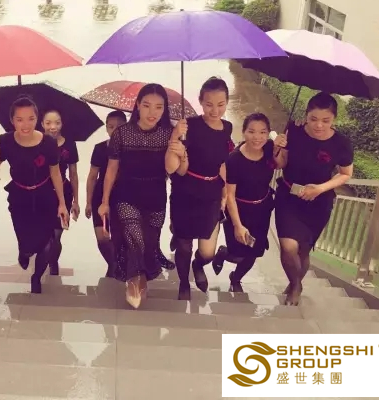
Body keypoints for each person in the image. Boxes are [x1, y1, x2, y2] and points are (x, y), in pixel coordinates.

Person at [273, 92, 353, 306]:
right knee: (288, 247)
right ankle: (295, 286)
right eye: (313, 119)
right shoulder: (294, 130)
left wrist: (320, 188)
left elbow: (345, 173)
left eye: (326, 120)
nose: (319, 125)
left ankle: (295, 283)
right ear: (306, 115)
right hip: (289, 197)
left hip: (319, 203)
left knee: (303, 250)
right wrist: (276, 147)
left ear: (334, 119)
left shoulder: (341, 143)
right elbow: (280, 164)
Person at [98, 84, 174, 309]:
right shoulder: (122, 133)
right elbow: (111, 170)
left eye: (159, 107)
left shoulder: (169, 134)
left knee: (149, 243)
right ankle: (133, 282)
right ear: (138, 105)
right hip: (126, 194)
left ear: (165, 109)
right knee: (135, 239)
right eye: (147, 105)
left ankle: (141, 279)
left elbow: (174, 171)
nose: (153, 112)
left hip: (156, 196)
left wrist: (178, 141)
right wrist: (104, 201)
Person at [0, 96, 69, 294]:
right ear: (12, 120)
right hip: (19, 196)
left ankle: (37, 276)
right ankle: (24, 251)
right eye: (20, 119)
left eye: (31, 119)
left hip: (45, 195)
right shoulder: (6, 140)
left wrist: (62, 203)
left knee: (46, 243)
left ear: (37, 119)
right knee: (26, 242)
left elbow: (55, 173)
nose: (25, 124)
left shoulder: (49, 143)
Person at [166, 77, 234, 300]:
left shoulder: (227, 127)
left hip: (212, 194)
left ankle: (198, 264)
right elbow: (175, 169)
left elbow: (223, 164)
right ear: (201, 102)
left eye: (221, 104)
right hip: (186, 192)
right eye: (209, 104)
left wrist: (225, 193)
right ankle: (184, 283)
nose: (215, 110)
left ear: (227, 102)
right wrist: (176, 135)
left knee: (207, 252)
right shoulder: (189, 126)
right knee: (184, 246)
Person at [212, 113, 278, 291]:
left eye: (263, 132)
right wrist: (238, 225)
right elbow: (230, 195)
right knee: (238, 253)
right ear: (243, 132)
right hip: (239, 211)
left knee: (254, 252)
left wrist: (282, 145)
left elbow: (280, 164)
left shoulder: (269, 148)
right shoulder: (234, 159)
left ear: (268, 133)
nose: (257, 137)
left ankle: (236, 279)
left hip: (262, 210)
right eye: (252, 131)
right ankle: (224, 253)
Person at [85, 110, 126, 277]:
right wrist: (88, 202)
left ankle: (117, 265)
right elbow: (92, 176)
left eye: (119, 126)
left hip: (124, 195)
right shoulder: (100, 148)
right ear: (106, 128)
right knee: (101, 237)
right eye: (110, 126)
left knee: (118, 235)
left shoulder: (131, 149)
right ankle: (113, 263)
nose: (114, 130)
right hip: (100, 195)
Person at [41, 109, 80, 275]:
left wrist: (76, 201)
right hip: (41, 193)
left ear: (62, 124)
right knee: (44, 235)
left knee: (57, 235)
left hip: (63, 193)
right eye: (48, 123)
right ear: (42, 124)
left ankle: (53, 262)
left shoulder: (69, 144)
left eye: (57, 123)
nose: (53, 127)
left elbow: (73, 174)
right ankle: (41, 261)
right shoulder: (36, 142)